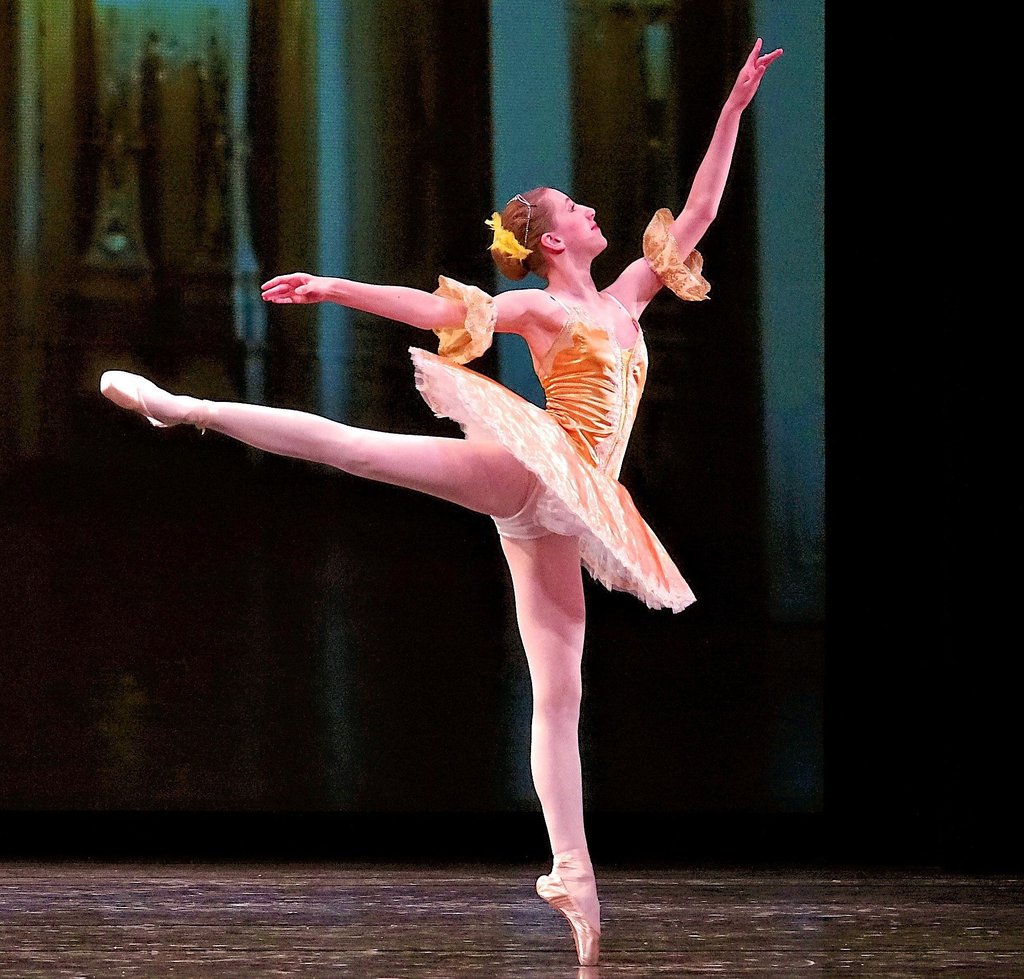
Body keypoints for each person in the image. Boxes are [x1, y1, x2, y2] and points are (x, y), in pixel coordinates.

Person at [99, 38, 781, 967]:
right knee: (360, 451)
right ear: (551, 240)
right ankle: (186, 408)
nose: (591, 209)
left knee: (559, 695)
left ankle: (573, 874)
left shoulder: (628, 295)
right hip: (541, 465)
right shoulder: (550, 310)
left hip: (573, 503)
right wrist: (336, 286)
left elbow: (700, 206)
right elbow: (442, 312)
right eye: (575, 208)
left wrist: (735, 104)